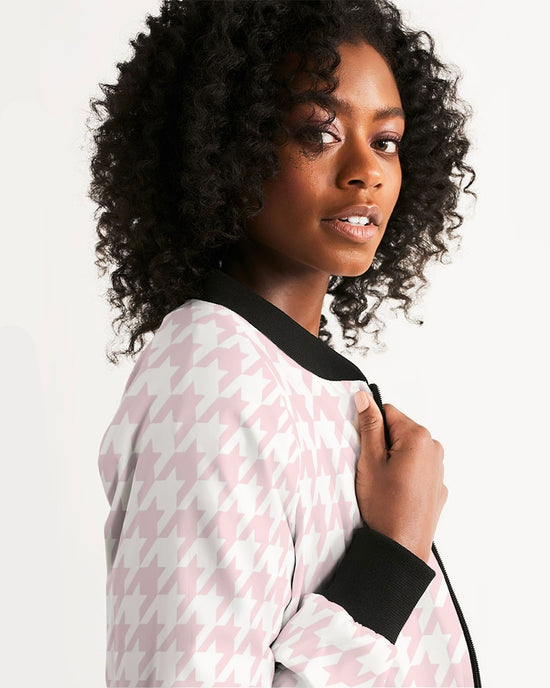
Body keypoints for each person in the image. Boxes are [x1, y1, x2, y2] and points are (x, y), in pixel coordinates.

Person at [89, 1, 480, 685]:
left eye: (386, 140)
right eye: (319, 132)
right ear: (226, 146)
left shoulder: (278, 371)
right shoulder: (212, 381)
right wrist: (391, 557)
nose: (367, 170)